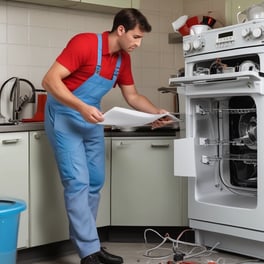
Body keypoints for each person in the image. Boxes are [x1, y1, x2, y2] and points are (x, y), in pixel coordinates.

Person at [42, 8, 172, 264]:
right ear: (120, 30)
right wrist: (80, 106)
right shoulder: (85, 43)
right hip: (66, 116)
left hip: (92, 120)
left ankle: (91, 245)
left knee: (95, 183)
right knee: (77, 183)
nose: (138, 43)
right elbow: (50, 80)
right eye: (135, 37)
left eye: (141, 38)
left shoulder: (122, 59)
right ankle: (88, 251)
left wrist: (157, 112)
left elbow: (132, 96)